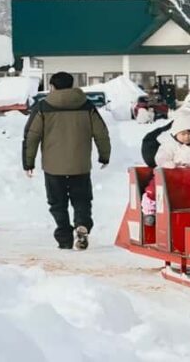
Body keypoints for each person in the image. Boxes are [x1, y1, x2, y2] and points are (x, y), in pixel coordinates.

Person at [22, 72, 111, 250]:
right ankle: (82, 224)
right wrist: (104, 155)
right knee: (82, 200)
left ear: (52, 86)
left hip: (53, 167)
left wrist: (28, 162)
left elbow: (31, 136)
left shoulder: (43, 107)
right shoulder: (86, 105)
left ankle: (64, 237)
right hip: (80, 165)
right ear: (71, 86)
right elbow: (101, 132)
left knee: (57, 203)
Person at [141, 114, 190, 225]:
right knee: (155, 188)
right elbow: (160, 157)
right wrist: (168, 164)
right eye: (183, 134)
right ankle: (149, 210)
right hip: (169, 175)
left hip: (189, 177)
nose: (187, 137)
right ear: (175, 134)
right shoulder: (169, 145)